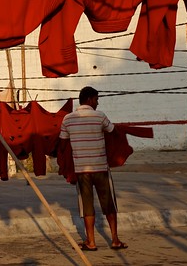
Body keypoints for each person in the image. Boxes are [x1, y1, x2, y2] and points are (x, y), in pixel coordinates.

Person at [59, 86, 128, 251]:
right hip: (100, 168)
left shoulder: (67, 119)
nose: (97, 103)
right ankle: (115, 240)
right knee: (109, 204)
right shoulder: (99, 116)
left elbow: (62, 144)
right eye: (96, 99)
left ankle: (91, 242)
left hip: (82, 170)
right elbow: (113, 132)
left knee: (87, 206)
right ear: (90, 99)